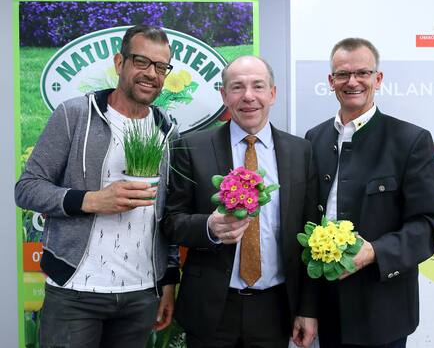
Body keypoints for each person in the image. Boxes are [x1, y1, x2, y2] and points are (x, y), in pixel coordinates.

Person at [15, 25, 180, 348]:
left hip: (141, 294)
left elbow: (170, 214)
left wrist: (168, 282)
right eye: (141, 61)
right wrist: (91, 200)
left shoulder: (167, 132)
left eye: (161, 67)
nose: (151, 74)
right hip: (75, 292)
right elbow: (26, 188)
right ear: (120, 63)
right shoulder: (75, 115)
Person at [162, 55, 318, 348]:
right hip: (211, 308)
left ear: (272, 93)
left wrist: (307, 309)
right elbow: (171, 222)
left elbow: (310, 236)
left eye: (258, 86)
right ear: (224, 95)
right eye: (237, 87)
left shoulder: (301, 152)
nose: (248, 96)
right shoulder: (191, 147)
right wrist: (209, 227)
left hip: (276, 308)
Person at [305, 38, 434, 347]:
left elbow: (427, 226)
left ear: (377, 79)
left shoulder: (410, 140)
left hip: (384, 312)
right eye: (342, 74)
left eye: (362, 73)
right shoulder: (313, 139)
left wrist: (375, 252)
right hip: (329, 310)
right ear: (331, 81)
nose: (352, 81)